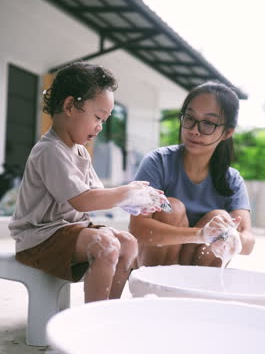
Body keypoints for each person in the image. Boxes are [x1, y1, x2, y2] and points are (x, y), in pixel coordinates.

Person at [9, 62, 165, 302]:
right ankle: (91, 318)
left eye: (104, 119)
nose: (100, 127)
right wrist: (126, 192)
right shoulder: (50, 150)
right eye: (98, 117)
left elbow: (97, 196)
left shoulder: (79, 151)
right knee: (106, 245)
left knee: (127, 243)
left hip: (69, 232)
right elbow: (82, 201)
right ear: (70, 105)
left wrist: (133, 202)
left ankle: (108, 311)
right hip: (39, 238)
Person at [129, 81, 255, 268]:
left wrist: (231, 237)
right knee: (171, 208)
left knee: (221, 218)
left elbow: (248, 240)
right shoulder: (158, 162)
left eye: (208, 123)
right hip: (154, 266)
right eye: (189, 118)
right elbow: (138, 227)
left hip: (199, 266)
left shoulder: (232, 179)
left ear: (227, 132)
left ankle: (197, 290)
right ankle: (160, 290)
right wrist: (201, 234)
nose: (194, 130)